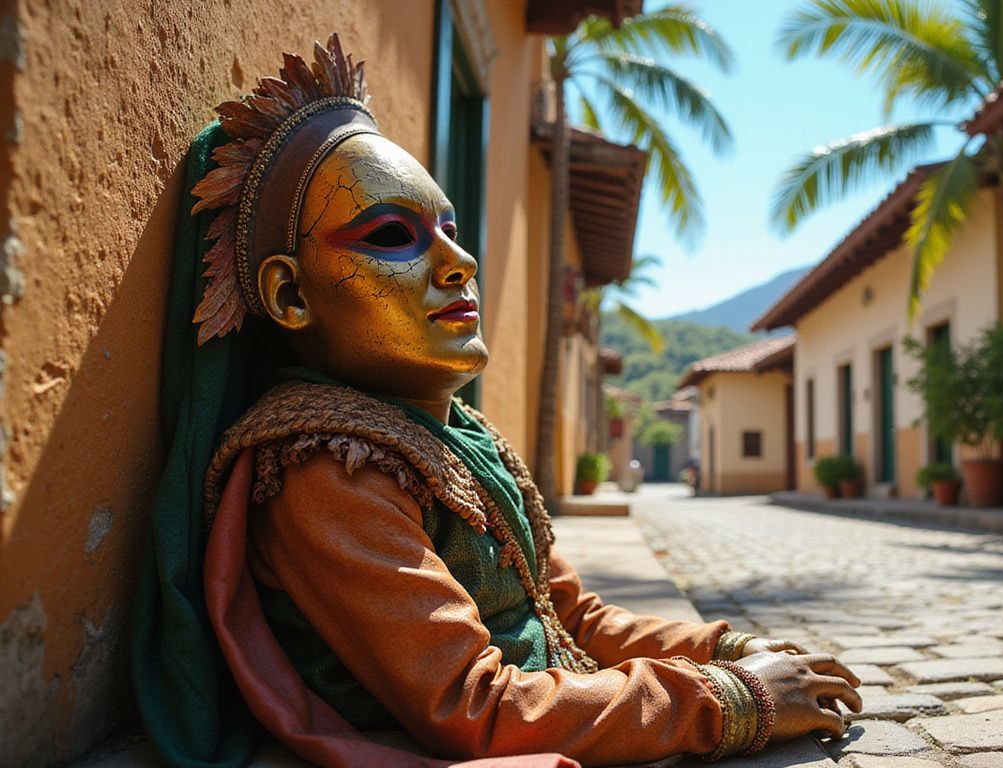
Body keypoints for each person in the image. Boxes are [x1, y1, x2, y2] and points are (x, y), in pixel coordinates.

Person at [132, 35, 860, 768]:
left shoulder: (458, 440)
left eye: (450, 230)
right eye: (393, 235)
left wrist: (730, 646)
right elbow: (474, 706)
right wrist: (731, 700)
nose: (461, 262)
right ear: (290, 294)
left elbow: (567, 613)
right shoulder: (326, 472)